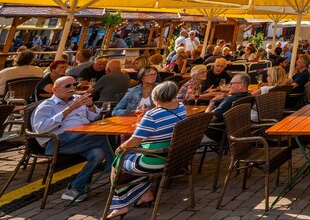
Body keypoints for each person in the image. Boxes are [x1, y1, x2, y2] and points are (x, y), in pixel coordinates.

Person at [106, 80, 185, 217]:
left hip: (155, 161)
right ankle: (146, 194)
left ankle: (121, 205)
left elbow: (134, 142)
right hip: (175, 157)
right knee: (127, 159)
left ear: (155, 98)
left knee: (117, 162)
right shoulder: (181, 107)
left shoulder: (153, 115)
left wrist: (119, 147)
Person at [32, 76, 111, 202]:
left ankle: (75, 188)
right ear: (54, 89)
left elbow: (93, 117)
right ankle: (113, 169)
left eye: (74, 85)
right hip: (57, 142)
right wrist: (70, 109)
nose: (72, 88)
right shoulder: (47, 105)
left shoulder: (76, 100)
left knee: (98, 153)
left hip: (81, 138)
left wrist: (90, 105)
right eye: (67, 86)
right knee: (103, 137)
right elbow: (40, 128)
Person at [204, 73, 252, 141]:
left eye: (231, 84)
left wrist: (213, 101)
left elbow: (207, 119)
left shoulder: (230, 100)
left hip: (216, 133)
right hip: (234, 133)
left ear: (240, 85)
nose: (229, 86)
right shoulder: (248, 96)